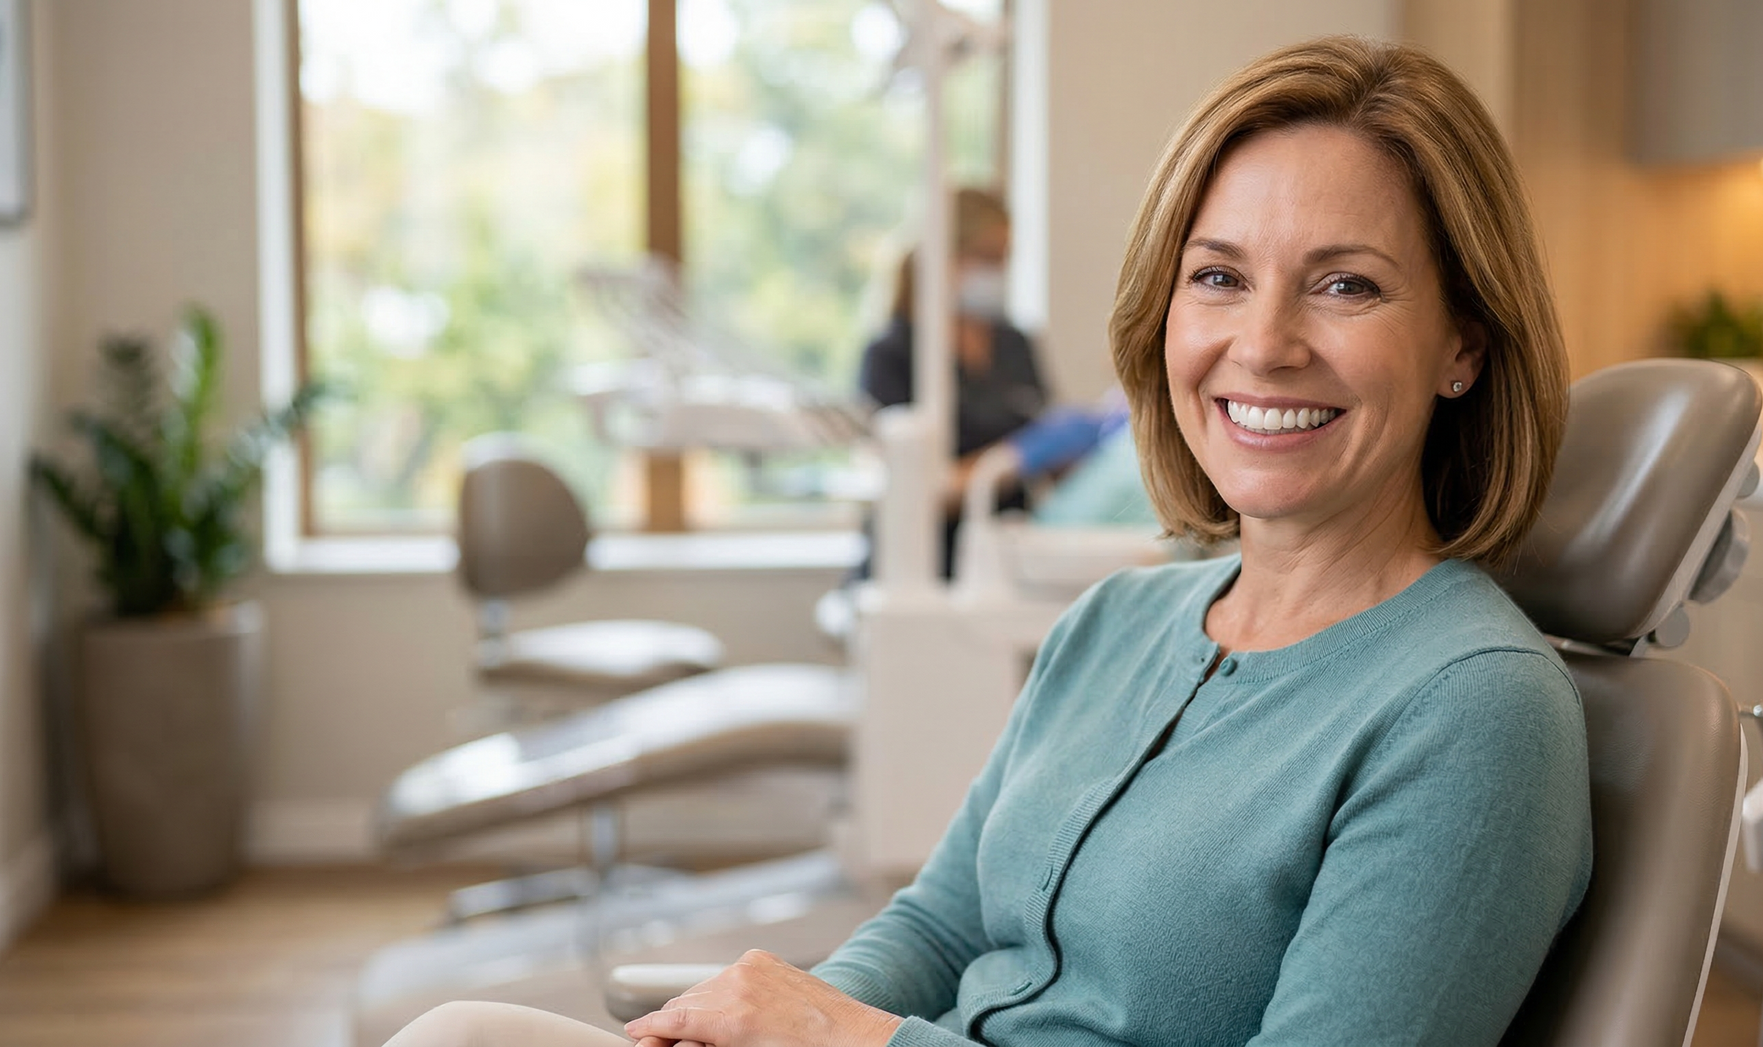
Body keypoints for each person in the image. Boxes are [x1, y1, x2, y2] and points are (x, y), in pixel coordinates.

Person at [384, 34, 1589, 1047]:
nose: (1263, 344)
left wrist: (853, 1041)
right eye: (1219, 278)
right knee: (455, 1035)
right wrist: (774, 1020)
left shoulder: (1471, 712)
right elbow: (941, 926)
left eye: (1346, 286)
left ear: (1463, 345)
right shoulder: (1116, 623)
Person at [854, 186, 1105, 578]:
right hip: (919, 564)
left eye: (1005, 258)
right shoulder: (894, 353)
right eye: (987, 257)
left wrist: (1088, 443)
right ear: (941, 256)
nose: (998, 272)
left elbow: (1051, 458)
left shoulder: (1014, 343)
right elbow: (908, 491)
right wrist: (1011, 459)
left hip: (1003, 559)